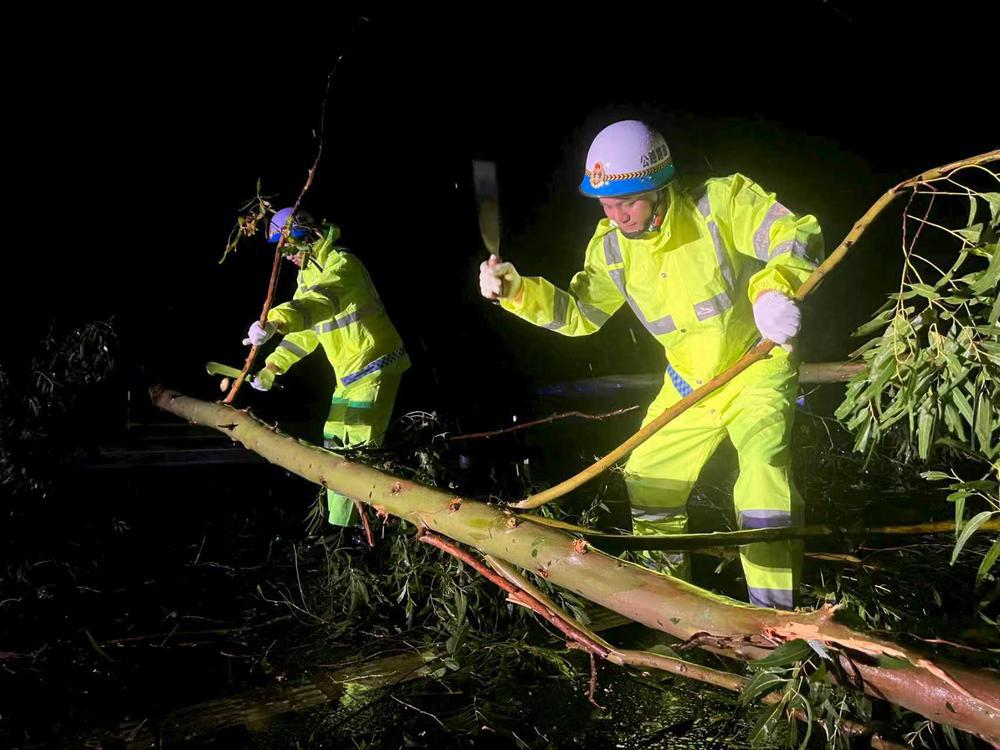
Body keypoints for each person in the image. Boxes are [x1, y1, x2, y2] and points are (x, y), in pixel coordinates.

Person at [478, 120, 823, 609]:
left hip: (755, 369)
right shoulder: (611, 249)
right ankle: (672, 608)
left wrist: (772, 289)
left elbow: (798, 233)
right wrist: (515, 291)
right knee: (648, 478)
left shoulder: (720, 202)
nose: (617, 215)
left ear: (659, 186)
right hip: (687, 384)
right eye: (605, 204)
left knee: (762, 479)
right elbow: (579, 314)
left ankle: (774, 621)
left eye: (627, 202)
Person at [245, 207, 409, 526]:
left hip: (375, 364)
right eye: (283, 252)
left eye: (289, 248)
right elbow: (306, 331)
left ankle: (365, 522)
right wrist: (273, 366)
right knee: (333, 440)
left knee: (358, 444)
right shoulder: (307, 276)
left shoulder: (341, 264)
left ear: (305, 237)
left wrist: (276, 320)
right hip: (348, 374)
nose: (288, 257)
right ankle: (339, 526)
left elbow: (319, 303)